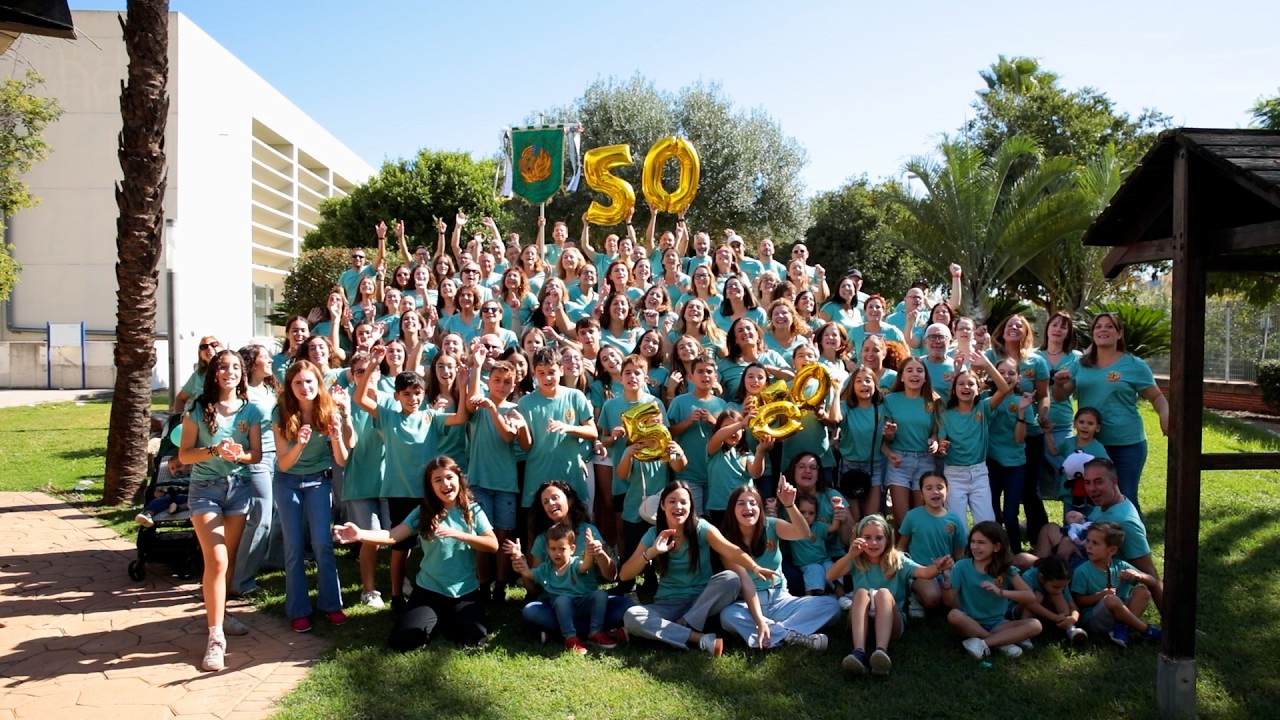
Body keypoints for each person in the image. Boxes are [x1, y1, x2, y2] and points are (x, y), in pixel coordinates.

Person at [334, 456, 498, 649]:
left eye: (449, 477)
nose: (445, 484)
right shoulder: (423, 512)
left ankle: (447, 618)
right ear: (431, 486)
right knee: (402, 640)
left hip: (464, 590)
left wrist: (461, 535)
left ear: (459, 479)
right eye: (438, 480)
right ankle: (437, 617)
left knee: (474, 638)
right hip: (429, 590)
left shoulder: (472, 511)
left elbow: (492, 544)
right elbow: (392, 536)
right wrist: (360, 534)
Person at [354, 346, 470, 614]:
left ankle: (435, 589)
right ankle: (396, 595)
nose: (413, 397)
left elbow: (461, 417)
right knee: (400, 545)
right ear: (397, 396)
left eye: (417, 393)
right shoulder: (388, 416)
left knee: (436, 541)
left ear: (423, 394)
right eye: (406, 394)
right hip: (399, 492)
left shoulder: (431, 417)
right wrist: (373, 364)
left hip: (429, 494)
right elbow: (360, 398)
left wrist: (462, 387)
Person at [176, 349, 263, 672]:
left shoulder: (250, 410)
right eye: (224, 367)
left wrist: (239, 455)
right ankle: (215, 639)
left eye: (236, 367)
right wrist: (214, 450)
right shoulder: (198, 409)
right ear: (214, 373)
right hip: (205, 492)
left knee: (227, 562)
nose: (231, 372)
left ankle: (221, 613)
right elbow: (184, 455)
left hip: (238, 489)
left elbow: (255, 455)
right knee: (216, 558)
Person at [619, 481, 778, 655]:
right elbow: (625, 575)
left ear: (691, 506)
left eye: (683, 502)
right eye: (672, 501)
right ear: (663, 505)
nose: (678, 506)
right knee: (631, 616)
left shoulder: (701, 528)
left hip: (703, 602)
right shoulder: (653, 534)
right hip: (669, 604)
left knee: (731, 579)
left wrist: (754, 567)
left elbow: (729, 549)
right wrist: (650, 553)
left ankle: (680, 627)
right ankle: (699, 638)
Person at [1053, 312, 1169, 517]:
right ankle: (1094, 545)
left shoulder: (1134, 365)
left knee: (1124, 497)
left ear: (1119, 334)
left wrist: (1165, 412)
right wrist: (1059, 384)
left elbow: (1156, 396)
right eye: (1098, 327)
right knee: (1092, 498)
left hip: (1127, 444)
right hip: (1091, 445)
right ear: (1093, 334)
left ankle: (1135, 546)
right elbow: (1061, 396)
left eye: (1109, 327)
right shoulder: (1081, 364)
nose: (1103, 330)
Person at [273, 360, 355, 633]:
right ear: (290, 386)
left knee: (323, 543)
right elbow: (284, 464)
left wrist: (334, 435)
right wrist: (300, 444)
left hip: (319, 481)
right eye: (297, 383)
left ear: (318, 384)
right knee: (294, 546)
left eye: (309, 381)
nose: (304, 387)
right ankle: (298, 610)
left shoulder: (328, 409)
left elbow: (342, 460)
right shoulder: (281, 412)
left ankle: (331, 604)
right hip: (288, 482)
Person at [718, 482, 840, 650]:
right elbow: (746, 584)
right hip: (749, 604)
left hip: (781, 599)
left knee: (831, 605)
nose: (748, 507)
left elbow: (803, 533)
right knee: (728, 616)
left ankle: (775, 634)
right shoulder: (727, 542)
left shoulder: (771, 525)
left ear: (760, 508)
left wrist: (789, 505)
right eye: (741, 503)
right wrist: (760, 620)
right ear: (733, 509)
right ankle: (793, 636)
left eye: (753, 503)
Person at [831, 514, 953, 676]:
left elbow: (923, 572)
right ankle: (859, 652)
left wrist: (938, 568)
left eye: (879, 538)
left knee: (883, 593)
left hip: (892, 624)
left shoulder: (897, 559)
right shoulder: (856, 560)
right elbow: (830, 576)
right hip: (862, 623)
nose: (873, 543)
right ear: (858, 539)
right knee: (860, 593)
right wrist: (849, 555)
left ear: (888, 539)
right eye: (867, 537)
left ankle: (881, 652)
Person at [466, 358, 530, 602]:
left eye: (507, 382)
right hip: (479, 483)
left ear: (513, 386)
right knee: (484, 538)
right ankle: (483, 585)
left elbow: (507, 436)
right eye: (496, 381)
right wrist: (477, 365)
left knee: (504, 537)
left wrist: (494, 409)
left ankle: (500, 585)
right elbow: (471, 401)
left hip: (505, 485)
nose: (501, 386)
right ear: (488, 382)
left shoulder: (513, 410)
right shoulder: (481, 406)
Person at [509, 524, 617, 654]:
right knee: (561, 601)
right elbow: (530, 574)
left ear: (572, 549)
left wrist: (589, 552)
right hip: (562, 610)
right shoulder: (546, 569)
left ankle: (595, 632)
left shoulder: (574, 563)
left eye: (562, 549)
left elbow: (585, 566)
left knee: (600, 594)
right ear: (548, 550)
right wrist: (519, 559)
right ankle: (570, 637)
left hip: (583, 604)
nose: (557, 553)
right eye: (553, 549)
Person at [941, 521, 1042, 660]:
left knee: (1035, 625)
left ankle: (985, 643)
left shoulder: (1006, 569)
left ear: (996, 547)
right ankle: (1002, 642)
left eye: (981, 542)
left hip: (998, 623)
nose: (975, 547)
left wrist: (1000, 592)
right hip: (970, 622)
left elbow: (1030, 597)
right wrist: (946, 580)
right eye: (973, 542)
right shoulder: (961, 566)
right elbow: (948, 602)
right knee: (954, 615)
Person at [517, 347, 598, 508]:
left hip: (570, 475)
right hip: (538, 475)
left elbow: (593, 432)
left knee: (574, 526)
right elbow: (526, 446)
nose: (547, 377)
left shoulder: (575, 396)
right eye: (541, 373)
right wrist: (520, 428)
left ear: (561, 370)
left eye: (551, 372)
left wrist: (568, 428)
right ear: (534, 373)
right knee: (537, 527)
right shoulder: (525, 403)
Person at [937, 353, 1012, 526]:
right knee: (958, 525)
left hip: (979, 473)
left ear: (979, 389)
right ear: (954, 389)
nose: (966, 387)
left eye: (971, 384)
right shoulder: (946, 414)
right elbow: (941, 442)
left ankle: (988, 553)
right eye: (961, 384)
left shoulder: (984, 408)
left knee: (987, 522)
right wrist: (942, 446)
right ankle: (960, 553)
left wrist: (987, 365)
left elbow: (1004, 389)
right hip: (954, 474)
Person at [231, 345, 279, 597]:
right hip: (256, 459)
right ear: (252, 362)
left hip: (277, 457)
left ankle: (261, 566)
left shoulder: (269, 388)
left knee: (272, 515)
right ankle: (240, 581)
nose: (270, 359)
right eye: (264, 356)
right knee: (260, 518)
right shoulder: (243, 393)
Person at [1071, 522, 1162, 647]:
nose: (1089, 546)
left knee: (1143, 591)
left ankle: (1122, 629)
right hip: (1096, 619)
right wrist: (1100, 596)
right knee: (1112, 600)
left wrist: (1139, 576)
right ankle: (1147, 631)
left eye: (1095, 543)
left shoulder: (1120, 566)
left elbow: (1153, 581)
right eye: (1088, 541)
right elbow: (1078, 601)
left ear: (1112, 550)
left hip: (1121, 613)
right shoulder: (1082, 571)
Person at [881, 357, 941, 529]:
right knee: (902, 521)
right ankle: (901, 554)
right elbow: (885, 438)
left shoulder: (933, 401)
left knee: (922, 517)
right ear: (901, 377)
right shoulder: (890, 400)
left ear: (925, 377)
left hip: (925, 461)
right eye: (909, 370)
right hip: (899, 461)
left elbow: (936, 432)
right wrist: (890, 434)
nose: (915, 374)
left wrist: (934, 441)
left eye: (919, 371)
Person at [897, 472, 967, 616]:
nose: (935, 492)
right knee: (932, 599)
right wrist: (904, 569)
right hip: (921, 571)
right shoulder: (912, 516)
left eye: (940, 487)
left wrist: (962, 574)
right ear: (921, 493)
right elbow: (901, 546)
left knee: (960, 604)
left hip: (946, 571)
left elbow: (960, 554)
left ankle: (943, 593)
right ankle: (914, 592)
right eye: (929, 488)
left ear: (947, 491)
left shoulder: (954, 519)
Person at [667, 352, 729, 514]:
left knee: (713, 519)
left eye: (709, 372)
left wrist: (713, 422)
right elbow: (668, 432)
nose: (705, 375)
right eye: (700, 371)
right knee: (692, 518)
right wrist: (688, 422)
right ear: (690, 377)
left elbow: (730, 436)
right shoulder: (679, 401)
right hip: (688, 472)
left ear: (716, 377)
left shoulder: (721, 404)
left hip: (715, 474)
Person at [704, 409, 772, 527]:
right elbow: (719, 436)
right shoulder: (714, 450)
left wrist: (760, 452)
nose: (733, 431)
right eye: (727, 427)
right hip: (720, 508)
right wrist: (740, 424)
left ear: (744, 431)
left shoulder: (746, 454)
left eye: (737, 428)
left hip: (745, 508)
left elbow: (756, 473)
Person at [784, 494, 844, 599]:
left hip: (824, 560)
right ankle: (810, 600)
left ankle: (842, 597)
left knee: (834, 569)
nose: (806, 516)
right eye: (802, 512)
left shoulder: (818, 526)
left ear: (816, 515)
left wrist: (836, 509)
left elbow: (834, 527)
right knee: (814, 570)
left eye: (811, 513)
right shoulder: (792, 528)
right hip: (806, 564)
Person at [1019, 555, 1087, 645]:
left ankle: (1070, 628)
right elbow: (1029, 604)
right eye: (1056, 586)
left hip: (1051, 614)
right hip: (1021, 610)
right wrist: (1055, 618)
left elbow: (1072, 605)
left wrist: (1073, 618)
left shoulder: (1060, 583)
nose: (1060, 589)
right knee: (1035, 597)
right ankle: (1024, 632)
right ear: (1041, 578)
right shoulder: (1028, 577)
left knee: (1057, 594)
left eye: (1063, 586)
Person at [173, 335, 221, 412]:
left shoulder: (234, 374)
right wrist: (181, 420)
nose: (209, 348)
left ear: (222, 348)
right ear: (201, 355)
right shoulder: (197, 376)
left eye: (214, 344)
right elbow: (180, 399)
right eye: (204, 346)